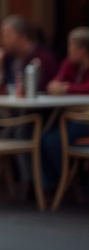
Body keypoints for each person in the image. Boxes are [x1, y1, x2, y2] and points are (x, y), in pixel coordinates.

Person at [41, 27, 89, 191]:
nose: (68, 50)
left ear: (82, 50)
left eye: (72, 46)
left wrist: (67, 88)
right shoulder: (69, 63)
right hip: (71, 117)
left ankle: (69, 182)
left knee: (51, 140)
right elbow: (54, 84)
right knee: (43, 137)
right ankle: (57, 183)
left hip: (84, 120)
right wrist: (56, 86)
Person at [0, 15, 59, 92]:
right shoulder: (8, 59)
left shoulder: (43, 58)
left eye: (8, 36)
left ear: (23, 36)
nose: (3, 41)